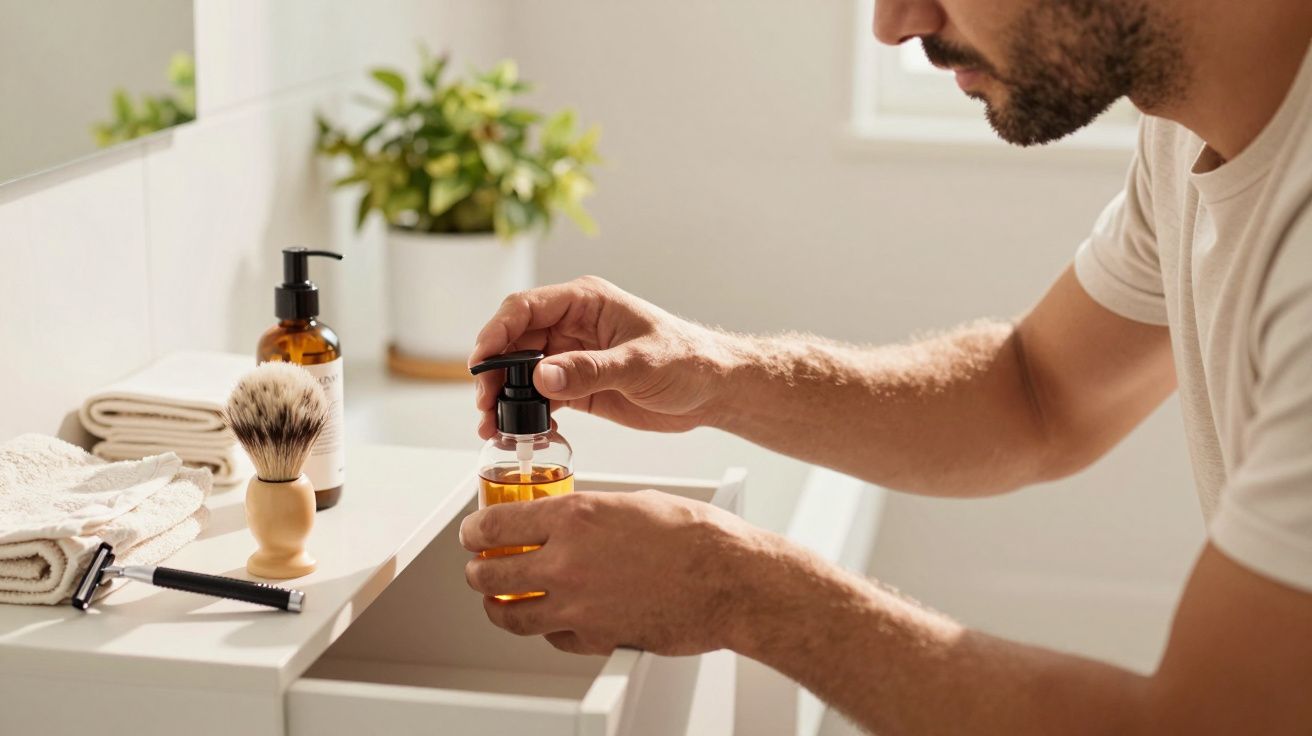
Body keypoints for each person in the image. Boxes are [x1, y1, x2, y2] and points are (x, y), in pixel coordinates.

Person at [460, 0, 1312, 732]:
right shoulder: (1188, 128)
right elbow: (1036, 397)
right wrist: (714, 372)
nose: (895, 24)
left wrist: (739, 590)